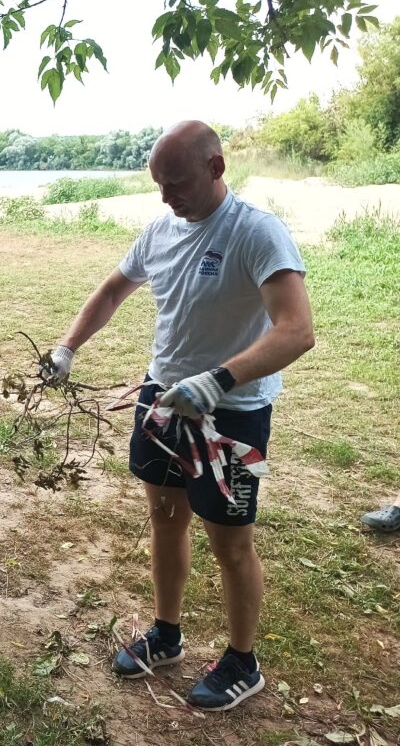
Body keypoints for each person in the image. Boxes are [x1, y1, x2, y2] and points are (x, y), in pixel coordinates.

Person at [42, 121, 314, 711]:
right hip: (162, 403)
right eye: (159, 185)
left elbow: (297, 331)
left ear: (216, 168)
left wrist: (218, 380)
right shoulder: (161, 229)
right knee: (166, 517)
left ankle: (243, 661)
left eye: (178, 182)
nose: (168, 197)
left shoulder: (256, 233)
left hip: (229, 415)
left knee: (230, 542)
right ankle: (166, 634)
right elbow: (114, 289)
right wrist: (68, 347)